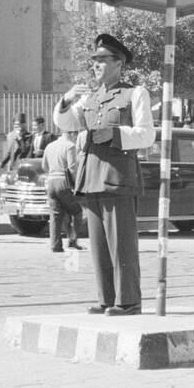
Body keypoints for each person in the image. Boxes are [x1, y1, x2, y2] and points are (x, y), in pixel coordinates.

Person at [55, 33, 155, 315]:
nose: (96, 65)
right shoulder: (89, 97)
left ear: (118, 63)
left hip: (118, 176)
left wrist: (114, 134)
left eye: (102, 60)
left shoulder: (135, 93)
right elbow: (64, 121)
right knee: (99, 245)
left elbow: (147, 135)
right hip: (91, 177)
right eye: (94, 61)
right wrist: (65, 100)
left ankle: (128, 301)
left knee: (122, 244)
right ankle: (107, 299)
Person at [41, 129, 82, 252]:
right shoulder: (70, 146)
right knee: (77, 211)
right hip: (64, 182)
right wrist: (76, 185)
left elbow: (44, 166)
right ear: (71, 133)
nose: (76, 137)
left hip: (51, 182)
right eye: (75, 134)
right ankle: (73, 239)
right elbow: (72, 168)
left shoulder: (50, 146)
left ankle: (55, 245)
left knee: (55, 215)